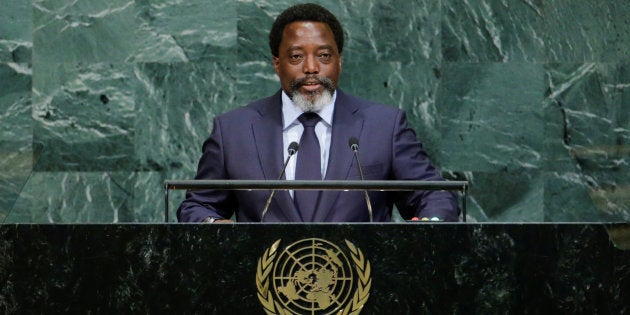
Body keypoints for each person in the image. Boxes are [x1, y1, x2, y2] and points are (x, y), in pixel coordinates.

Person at [177, 3, 459, 223]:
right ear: (277, 64)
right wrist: (214, 225)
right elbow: (199, 205)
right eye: (296, 56)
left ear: (339, 62)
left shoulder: (384, 126)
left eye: (324, 56)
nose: (311, 67)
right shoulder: (233, 131)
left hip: (361, 286)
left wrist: (429, 226)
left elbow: (434, 196)